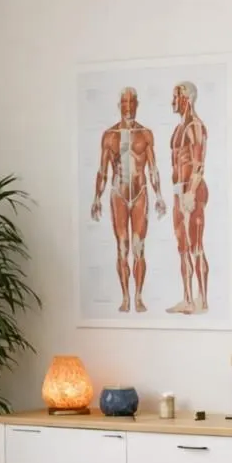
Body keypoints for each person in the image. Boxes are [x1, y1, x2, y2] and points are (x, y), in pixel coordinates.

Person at [91, 87, 165, 313]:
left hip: (140, 192)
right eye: (125, 104)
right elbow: (103, 170)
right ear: (119, 106)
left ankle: (139, 296)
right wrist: (97, 197)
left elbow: (153, 168)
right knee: (122, 248)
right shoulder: (110, 135)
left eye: (132, 104)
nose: (129, 108)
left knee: (138, 248)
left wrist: (159, 195)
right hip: (119, 195)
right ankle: (125, 297)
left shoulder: (145, 134)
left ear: (137, 105)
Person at [166, 80, 209, 314]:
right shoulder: (179, 128)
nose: (173, 102)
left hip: (191, 190)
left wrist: (191, 193)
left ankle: (201, 299)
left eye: (177, 97)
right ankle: (187, 298)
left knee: (196, 245)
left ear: (188, 99)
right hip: (178, 191)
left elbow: (199, 164)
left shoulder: (195, 126)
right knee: (182, 246)